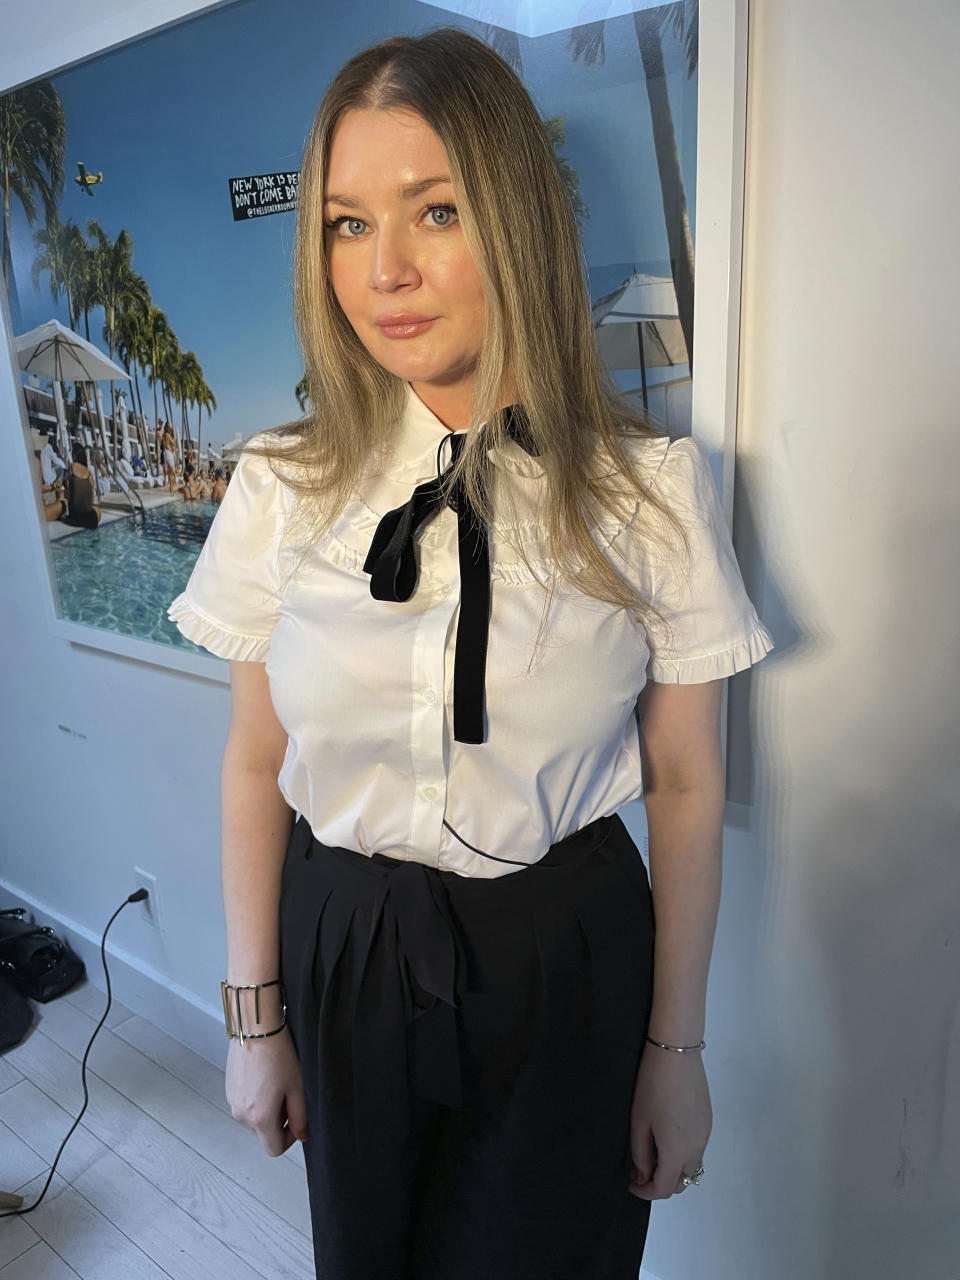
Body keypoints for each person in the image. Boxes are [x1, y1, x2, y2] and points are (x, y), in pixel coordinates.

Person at [167, 27, 775, 1280]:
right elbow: (251, 762)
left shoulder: (648, 494)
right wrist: (254, 1015)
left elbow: (686, 784)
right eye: (345, 224)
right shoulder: (278, 488)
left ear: (513, 219)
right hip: (343, 937)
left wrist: (676, 1054)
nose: (383, 268)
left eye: (433, 210)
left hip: (569, 952)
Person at [62, 442, 102, 529]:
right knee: (98, 510)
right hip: (91, 519)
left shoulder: (72, 467)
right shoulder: (89, 473)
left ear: (74, 456)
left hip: (75, 518)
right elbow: (91, 499)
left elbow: (68, 494)